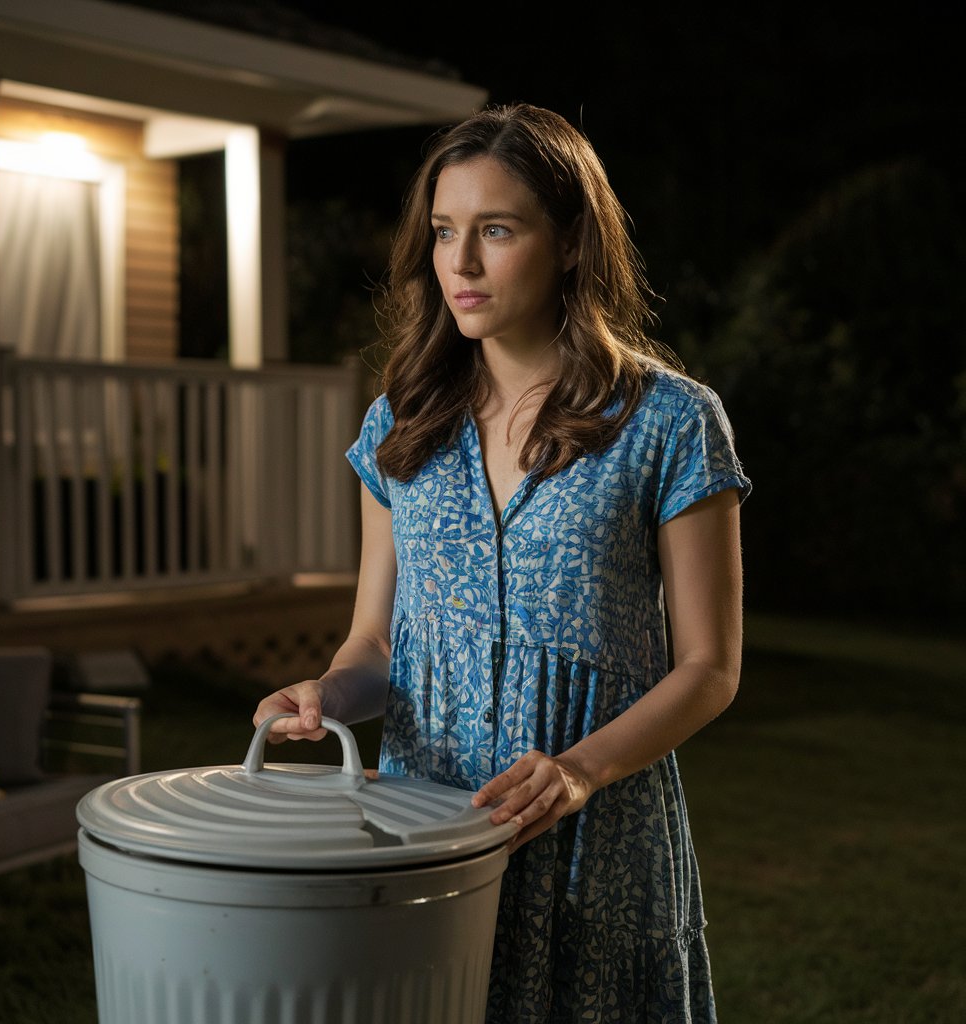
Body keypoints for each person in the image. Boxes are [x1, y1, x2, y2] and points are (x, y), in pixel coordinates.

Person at [254, 103, 751, 1023]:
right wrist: (325, 693)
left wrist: (579, 772)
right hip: (424, 842)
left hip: (596, 850)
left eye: (497, 229)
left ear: (569, 243)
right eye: (445, 232)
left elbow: (709, 669)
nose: (462, 263)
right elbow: (374, 645)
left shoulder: (672, 424)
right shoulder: (399, 426)